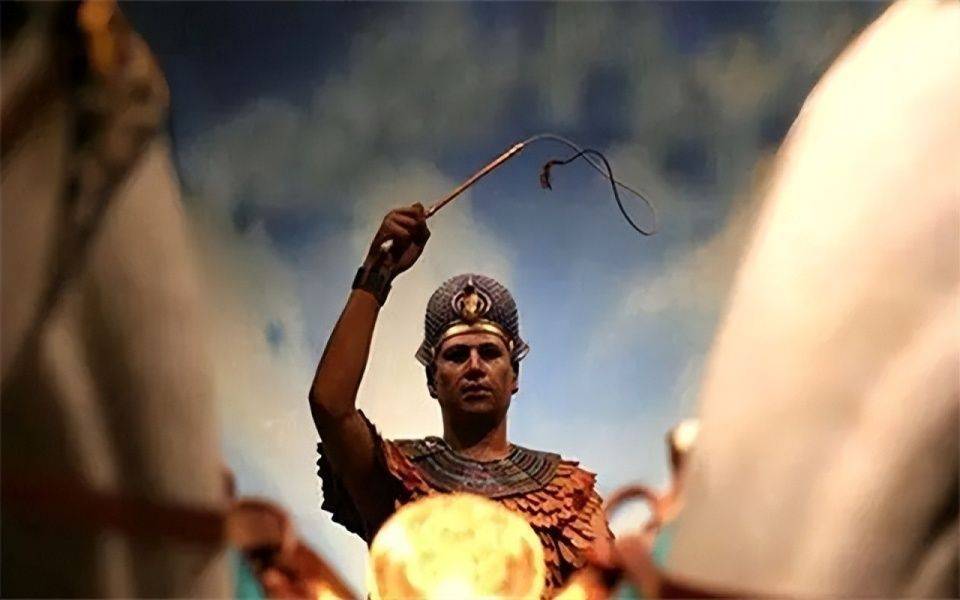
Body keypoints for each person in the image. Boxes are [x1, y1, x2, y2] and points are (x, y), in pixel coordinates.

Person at [309, 204, 609, 594]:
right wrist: (377, 273)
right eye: (456, 355)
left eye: (489, 353)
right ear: (432, 380)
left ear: (514, 375)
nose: (474, 366)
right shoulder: (397, 477)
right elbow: (330, 405)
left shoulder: (567, 494)